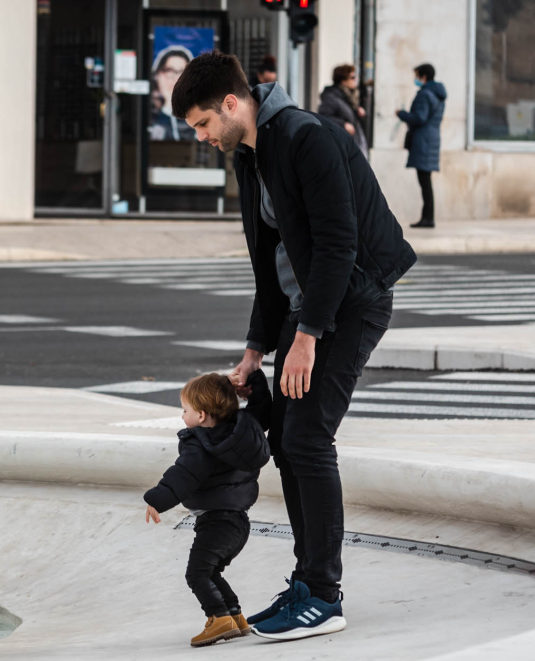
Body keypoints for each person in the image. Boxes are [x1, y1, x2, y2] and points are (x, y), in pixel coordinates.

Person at [170, 51, 416, 642]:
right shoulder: (251, 153)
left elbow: (338, 245)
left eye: (203, 123)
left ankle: (323, 594)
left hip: (353, 299)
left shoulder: (309, 138)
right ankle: (308, 585)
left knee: (307, 438)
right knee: (286, 435)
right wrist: (257, 348)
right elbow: (269, 261)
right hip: (310, 304)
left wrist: (306, 338)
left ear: (232, 104)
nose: (203, 138)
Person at [144, 370, 271, 648]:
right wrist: (255, 382)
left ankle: (218, 618)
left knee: (197, 574)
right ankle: (236, 617)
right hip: (238, 522)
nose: (182, 416)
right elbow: (262, 410)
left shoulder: (201, 445)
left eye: (185, 410)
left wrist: (157, 499)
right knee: (211, 572)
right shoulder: (243, 432)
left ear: (201, 416)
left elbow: (183, 475)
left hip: (215, 522)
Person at [396, 63, 447, 228]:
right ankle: (427, 217)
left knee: (424, 181)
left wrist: (402, 114)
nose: (416, 79)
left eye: (417, 76)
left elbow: (419, 118)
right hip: (431, 139)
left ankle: (428, 218)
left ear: (424, 77)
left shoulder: (425, 95)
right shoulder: (437, 94)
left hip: (423, 141)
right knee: (426, 180)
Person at [318, 64, 368, 158]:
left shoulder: (350, 97)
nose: (355, 79)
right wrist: (343, 124)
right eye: (352, 77)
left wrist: (357, 111)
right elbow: (323, 117)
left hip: (353, 143)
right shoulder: (331, 96)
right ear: (343, 81)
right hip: (340, 147)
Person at [150, 47, 195, 141]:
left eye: (182, 72)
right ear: (158, 75)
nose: (175, 79)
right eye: (169, 71)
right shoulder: (149, 116)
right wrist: (167, 105)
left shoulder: (197, 117)